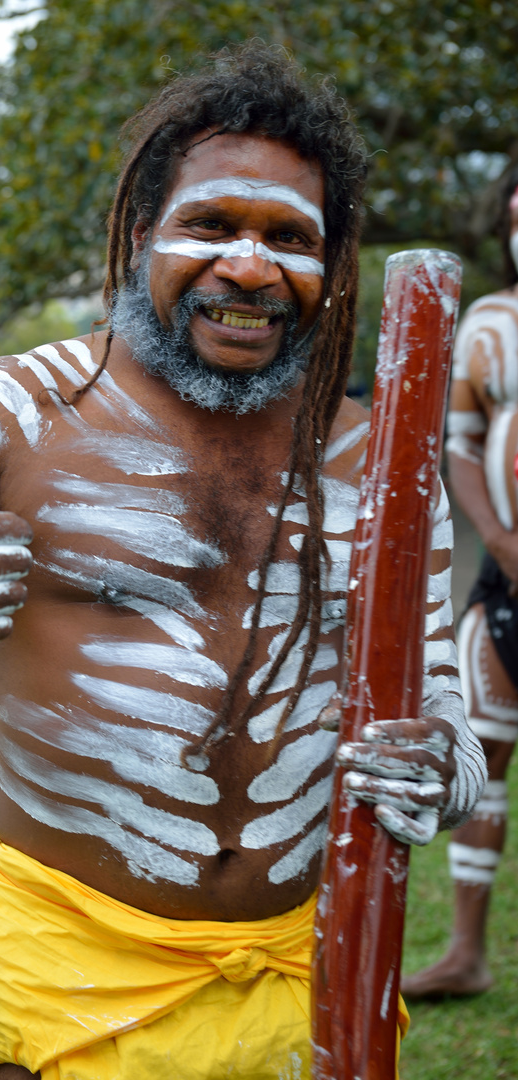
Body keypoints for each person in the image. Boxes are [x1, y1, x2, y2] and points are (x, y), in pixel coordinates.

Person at [0, 43, 485, 1079]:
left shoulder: (382, 465)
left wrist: (442, 764)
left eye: (287, 238)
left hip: (309, 980)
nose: (249, 267)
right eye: (211, 224)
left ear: (332, 264)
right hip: (60, 982)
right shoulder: (2, 416)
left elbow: (440, 707)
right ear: (135, 233)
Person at [401, 167, 518, 1001]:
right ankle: (467, 952)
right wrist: (504, 544)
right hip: (505, 576)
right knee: (484, 742)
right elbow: (463, 444)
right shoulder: (488, 323)